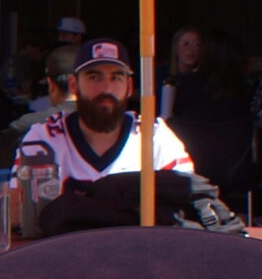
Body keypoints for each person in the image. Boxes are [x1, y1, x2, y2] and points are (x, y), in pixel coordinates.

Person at [13, 39, 196, 186]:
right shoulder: (43, 138)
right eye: (94, 77)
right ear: (74, 85)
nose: (106, 88)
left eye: (116, 77)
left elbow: (185, 199)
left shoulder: (155, 136)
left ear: (129, 87)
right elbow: (18, 212)